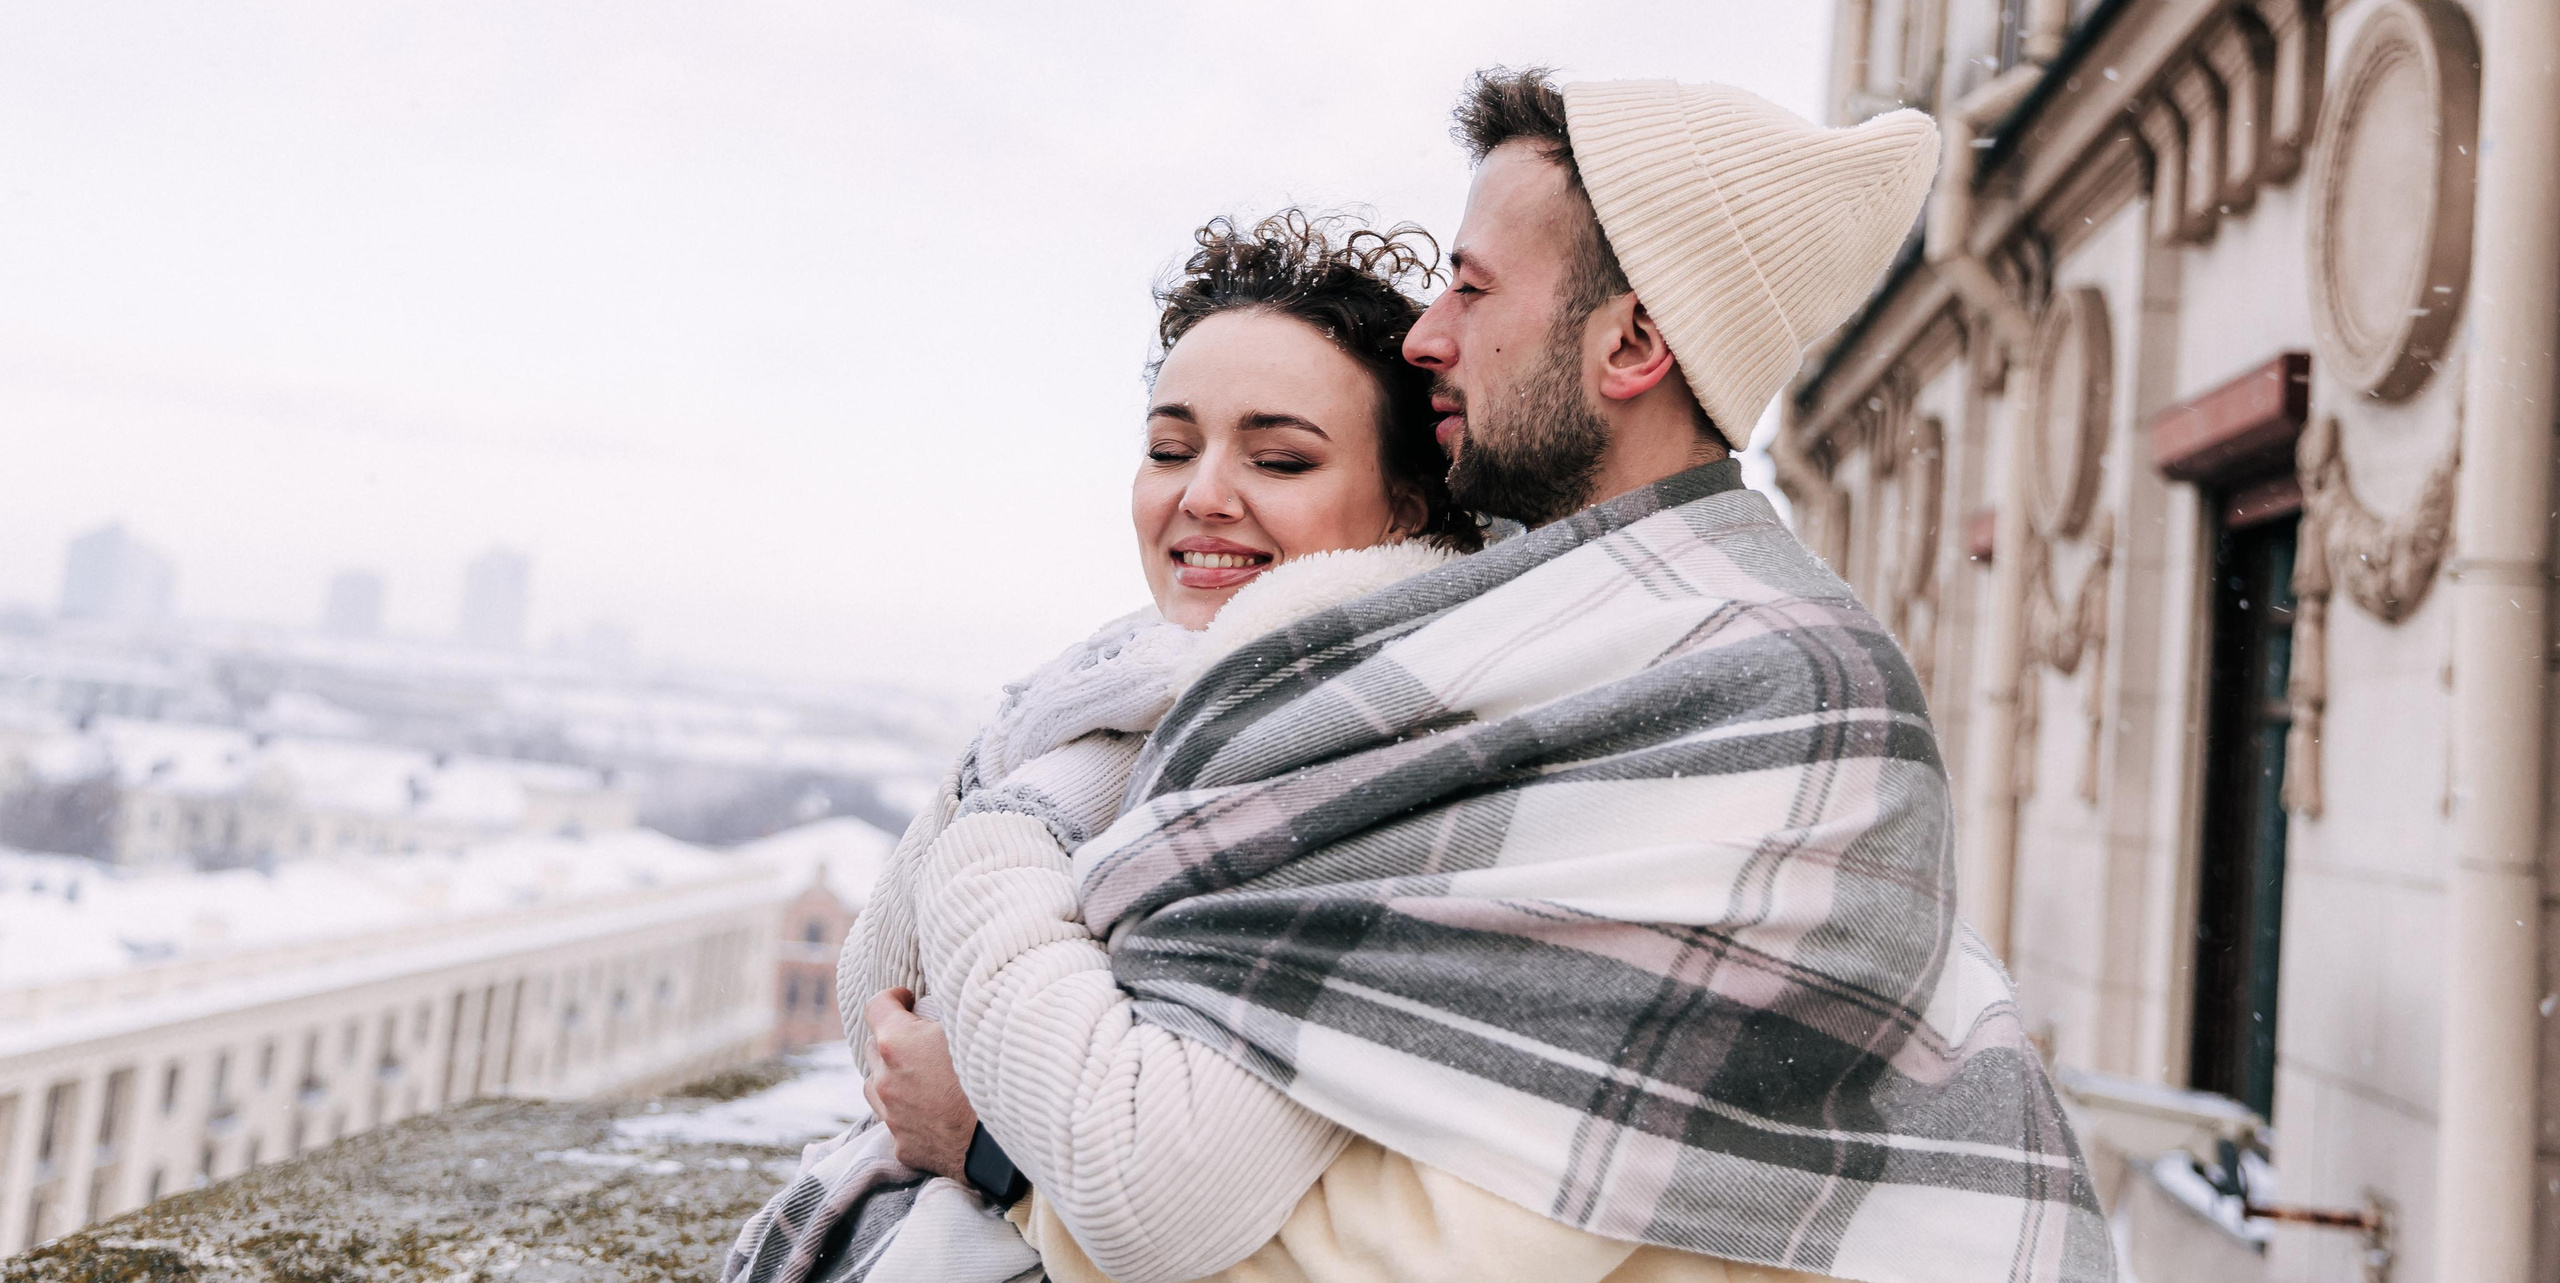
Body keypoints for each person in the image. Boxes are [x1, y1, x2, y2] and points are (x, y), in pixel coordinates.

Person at [868, 69, 2116, 1283]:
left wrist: (999, 1127)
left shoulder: (1762, 687)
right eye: (1168, 444)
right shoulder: (1502, 642)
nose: (1426, 336)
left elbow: (1331, 1232)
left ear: (1629, 342)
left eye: (1469, 289)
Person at [724, 210, 1480, 1283]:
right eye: (1170, 447)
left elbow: (1164, 1188)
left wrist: (987, 1126)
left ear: (1407, 506)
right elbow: (881, 1013)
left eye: (1277, 457)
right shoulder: (1110, 693)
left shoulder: (1380, 745)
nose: (1200, 494)